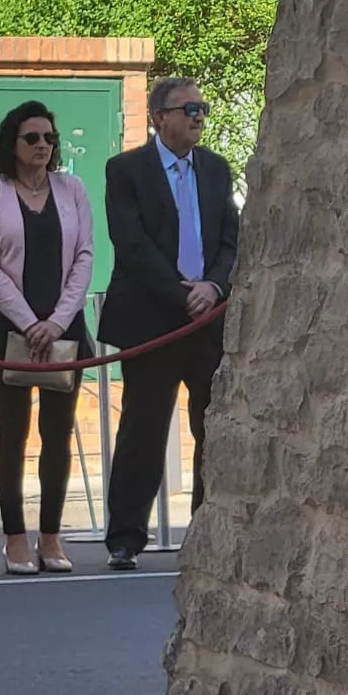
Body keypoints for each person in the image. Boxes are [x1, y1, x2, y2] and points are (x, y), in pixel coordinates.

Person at [97, 77, 239, 571]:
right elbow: (131, 245)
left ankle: (207, 532)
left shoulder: (217, 170)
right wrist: (183, 293)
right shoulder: (126, 170)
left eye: (203, 109)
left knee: (214, 426)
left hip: (210, 319)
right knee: (143, 426)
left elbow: (230, 242)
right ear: (160, 117)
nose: (199, 118)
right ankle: (125, 537)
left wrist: (214, 287)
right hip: (152, 319)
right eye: (189, 109)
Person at [0, 102, 96, 575]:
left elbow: (85, 256)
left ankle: (51, 535)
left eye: (49, 138)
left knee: (57, 432)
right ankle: (14, 537)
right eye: (32, 138)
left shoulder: (72, 189)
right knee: (13, 429)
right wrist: (29, 323)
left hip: (64, 329)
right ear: (13, 144)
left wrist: (57, 322)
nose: (42, 146)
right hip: (6, 326)